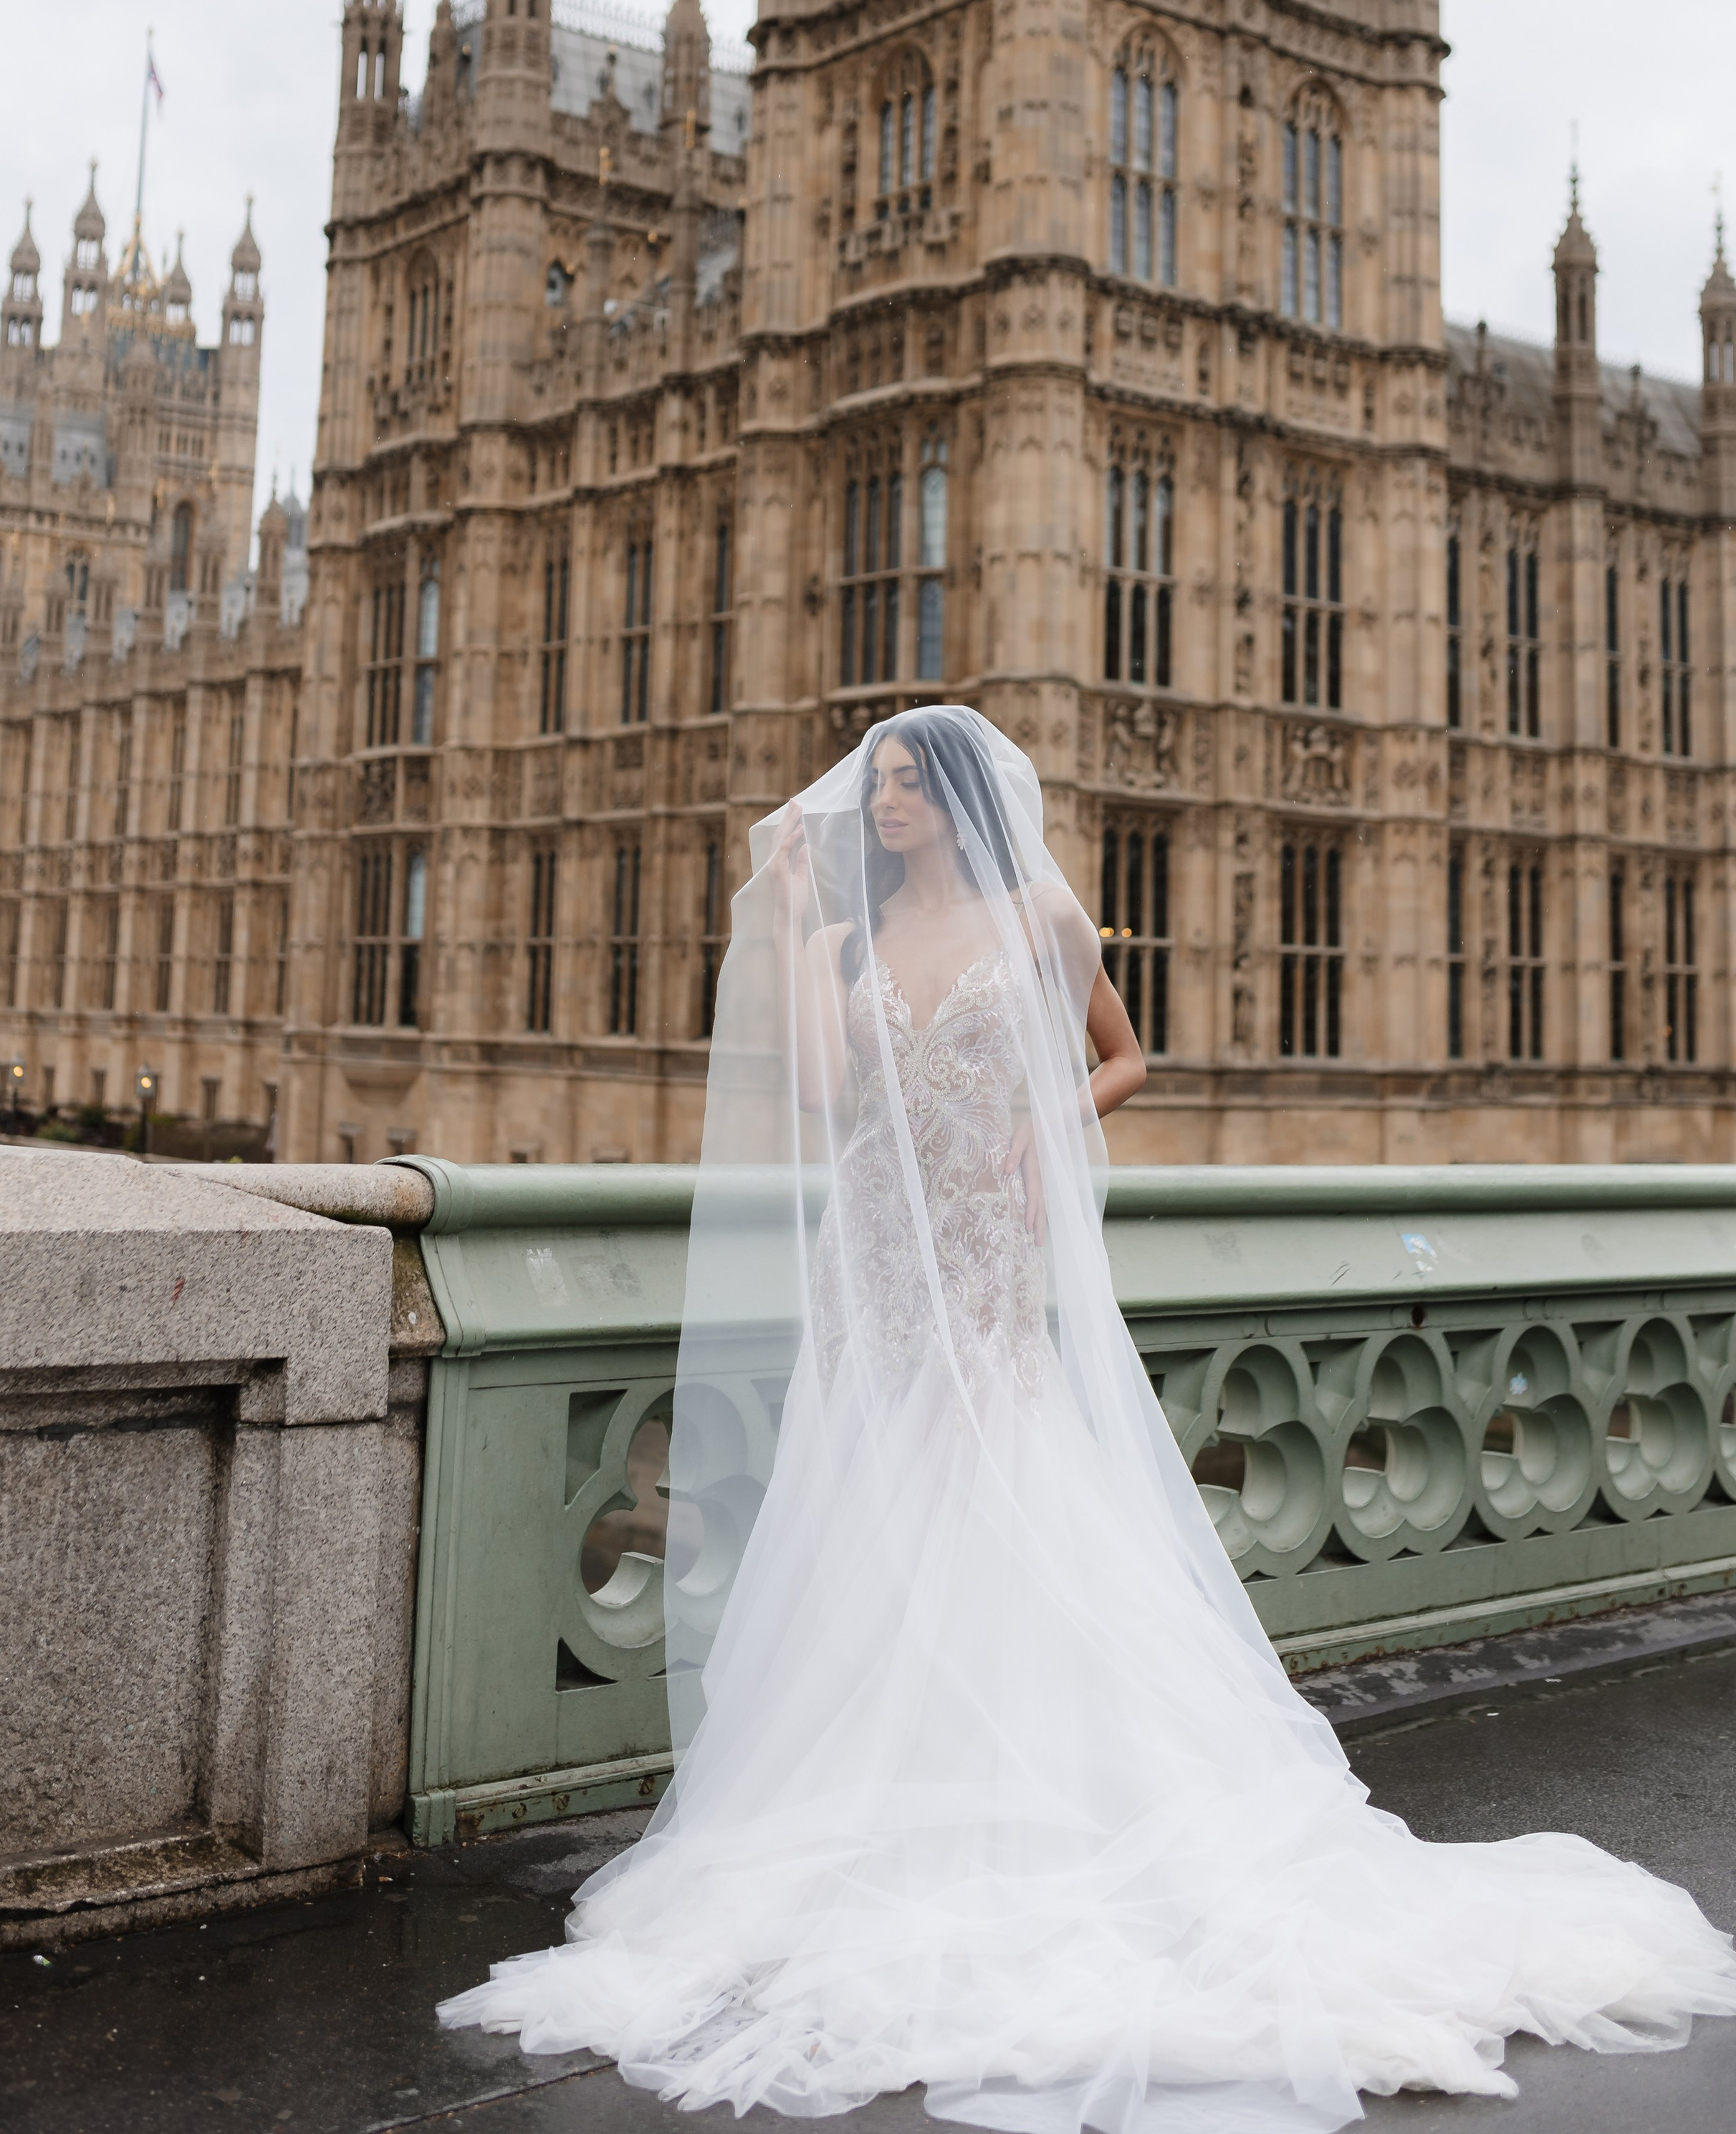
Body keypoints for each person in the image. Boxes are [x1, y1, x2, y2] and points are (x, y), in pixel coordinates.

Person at [440, 707, 1736, 2130]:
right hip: (871, 1253)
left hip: (986, 1250)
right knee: (879, 1519)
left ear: (952, 800)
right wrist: (803, 919)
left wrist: (1042, 1117)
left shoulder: (1040, 912)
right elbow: (820, 1091)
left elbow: (1127, 1055)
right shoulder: (836, 942)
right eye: (868, 783)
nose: (880, 801)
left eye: (902, 782)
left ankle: (1023, 1806)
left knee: (992, 1493)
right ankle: (891, 1809)